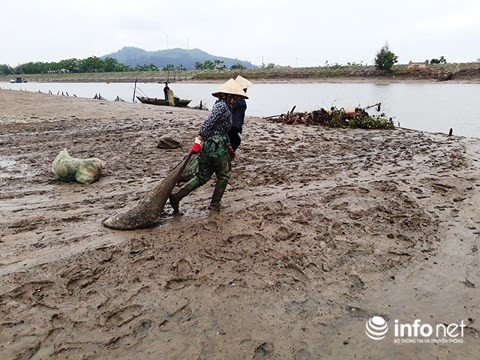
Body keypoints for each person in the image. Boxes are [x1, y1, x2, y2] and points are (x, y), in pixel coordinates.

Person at [169, 79, 248, 213]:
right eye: (237, 97)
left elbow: (222, 129)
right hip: (216, 146)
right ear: (230, 96)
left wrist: (229, 146)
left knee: (202, 176)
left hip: (211, 145)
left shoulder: (222, 105)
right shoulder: (222, 107)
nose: (238, 99)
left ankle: (177, 197)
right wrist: (197, 141)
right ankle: (215, 205)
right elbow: (208, 123)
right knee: (224, 175)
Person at [228, 75, 253, 151]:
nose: (246, 90)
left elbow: (241, 115)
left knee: (234, 141)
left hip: (234, 125)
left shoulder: (237, 99)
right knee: (235, 141)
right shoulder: (238, 101)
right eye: (245, 88)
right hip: (232, 125)